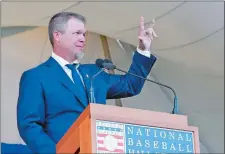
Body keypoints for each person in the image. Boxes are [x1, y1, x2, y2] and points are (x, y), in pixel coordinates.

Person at [17, 12, 157, 153]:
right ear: (57, 36)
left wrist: (143, 50)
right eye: (77, 33)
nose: (83, 39)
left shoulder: (95, 72)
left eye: (84, 34)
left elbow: (130, 85)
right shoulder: (36, 76)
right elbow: (29, 125)